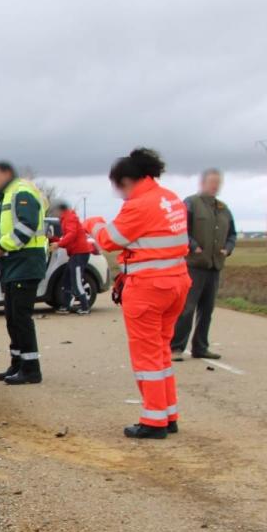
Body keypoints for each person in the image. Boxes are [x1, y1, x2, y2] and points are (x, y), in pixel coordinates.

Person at [84, 148, 191, 439]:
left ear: (128, 180)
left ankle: (154, 420)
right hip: (177, 283)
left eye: (118, 186)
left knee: (147, 356)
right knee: (161, 352)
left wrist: (92, 223)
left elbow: (109, 240)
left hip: (148, 287)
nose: (119, 193)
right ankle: (168, 414)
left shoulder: (140, 204)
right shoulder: (170, 198)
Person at [0, 161, 48, 385]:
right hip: (14, 265)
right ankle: (18, 363)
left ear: (7, 174)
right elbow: (14, 226)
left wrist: (4, 246)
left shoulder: (21, 192)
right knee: (12, 317)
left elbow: (27, 226)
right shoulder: (9, 195)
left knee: (20, 318)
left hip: (26, 262)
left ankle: (31, 369)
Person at [171, 168, 236, 361]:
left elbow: (232, 234)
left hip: (214, 265)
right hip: (193, 265)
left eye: (218, 182)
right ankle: (175, 347)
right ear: (203, 183)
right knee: (187, 308)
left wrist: (228, 248)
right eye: (212, 182)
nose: (215, 185)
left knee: (207, 310)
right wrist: (193, 246)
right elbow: (180, 229)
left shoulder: (223, 209)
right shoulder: (191, 203)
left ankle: (201, 347)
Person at [49, 201, 92, 315]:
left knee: (76, 281)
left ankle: (85, 307)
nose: (54, 213)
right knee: (67, 280)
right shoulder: (65, 219)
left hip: (80, 253)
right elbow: (66, 236)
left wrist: (58, 244)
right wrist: (53, 239)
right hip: (74, 254)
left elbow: (71, 235)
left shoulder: (69, 218)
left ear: (60, 210)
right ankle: (66, 306)